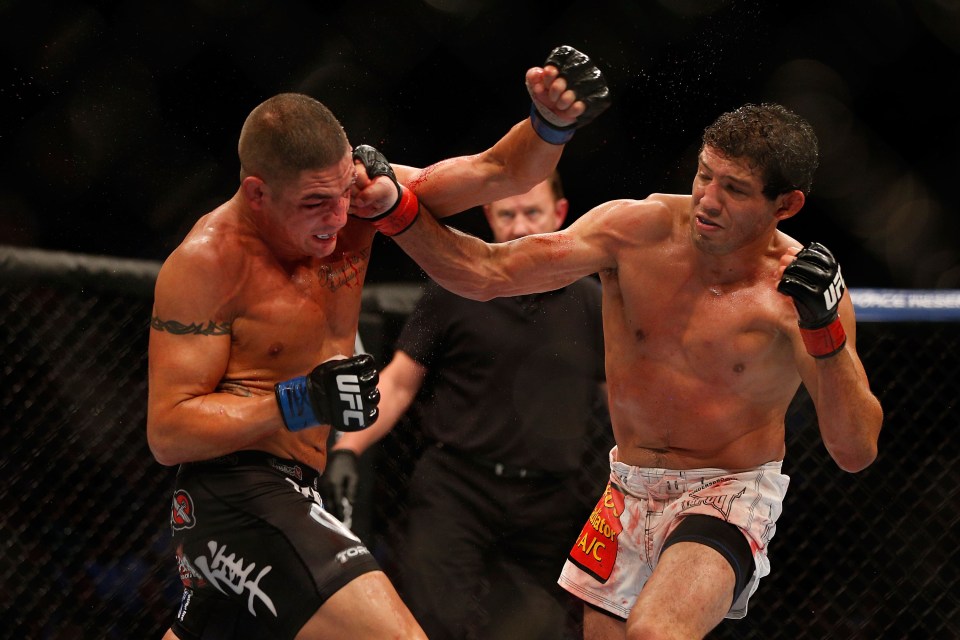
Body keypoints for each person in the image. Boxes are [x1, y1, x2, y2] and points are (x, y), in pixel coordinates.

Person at [359, 102, 885, 639]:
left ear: (787, 204)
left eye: (736, 189)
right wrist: (395, 213)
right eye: (705, 174)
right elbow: (487, 272)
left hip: (728, 489)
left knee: (655, 633)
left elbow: (855, 450)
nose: (708, 198)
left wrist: (826, 335)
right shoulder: (637, 230)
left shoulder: (796, 295)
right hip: (626, 484)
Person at [146, 46, 611, 640]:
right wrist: (300, 401)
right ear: (258, 194)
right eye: (315, 203)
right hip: (235, 495)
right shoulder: (208, 263)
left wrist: (549, 124)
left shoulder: (359, 199)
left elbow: (500, 172)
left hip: (292, 485)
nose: (338, 217)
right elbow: (168, 431)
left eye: (341, 193)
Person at [321, 171, 610, 639]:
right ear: (490, 218)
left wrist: (655, 477)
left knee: (540, 628)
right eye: (507, 213)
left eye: (531, 212)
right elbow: (397, 382)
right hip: (457, 488)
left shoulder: (591, 302)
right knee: (435, 619)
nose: (519, 225)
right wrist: (346, 450)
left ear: (559, 215)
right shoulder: (457, 286)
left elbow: (622, 400)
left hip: (551, 499)